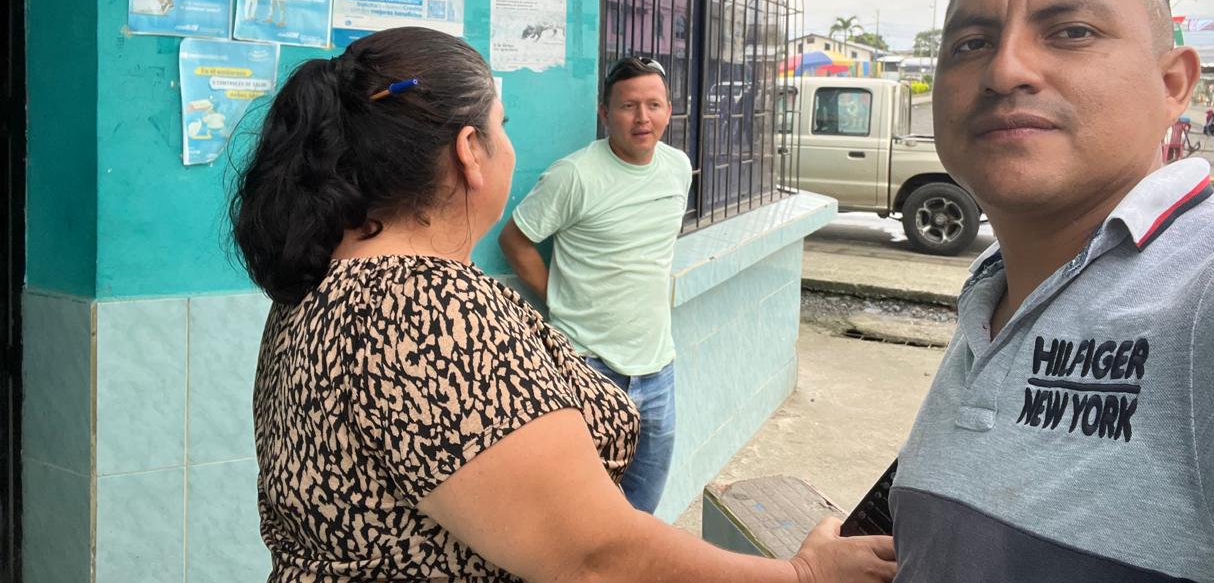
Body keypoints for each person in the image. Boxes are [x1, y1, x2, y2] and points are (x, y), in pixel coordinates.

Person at [231, 28, 895, 583]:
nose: (509, 145)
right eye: (502, 127)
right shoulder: (427, 306)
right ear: (470, 152)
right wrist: (804, 575)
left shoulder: (320, 286)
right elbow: (597, 556)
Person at [891, 0, 1214, 583]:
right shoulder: (997, 284)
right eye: (971, 44)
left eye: (1071, 32)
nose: (1005, 70)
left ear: (1173, 84)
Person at [498, 57, 690, 514]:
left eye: (653, 105)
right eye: (627, 106)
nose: (642, 118)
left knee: (641, 513)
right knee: (581, 514)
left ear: (668, 110)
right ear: (604, 113)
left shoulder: (678, 167)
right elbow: (515, 240)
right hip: (588, 368)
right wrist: (559, 298)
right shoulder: (575, 175)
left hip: (658, 370)